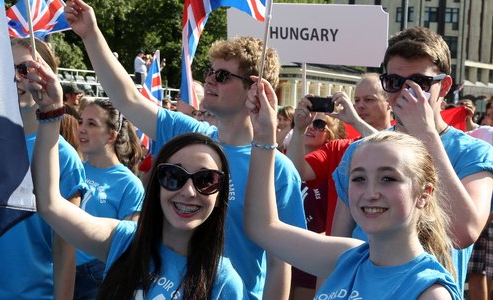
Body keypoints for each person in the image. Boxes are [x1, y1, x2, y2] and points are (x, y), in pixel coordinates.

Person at [64, 1, 306, 299]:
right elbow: (127, 99)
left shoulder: (278, 169)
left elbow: (280, 263)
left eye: (222, 76)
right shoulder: (189, 136)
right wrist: (91, 34)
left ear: (255, 89)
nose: (209, 80)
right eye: (210, 71)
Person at [24, 52, 247, 298]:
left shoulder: (224, 282)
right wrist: (50, 112)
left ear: (221, 192)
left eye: (206, 180)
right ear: (157, 183)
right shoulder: (124, 242)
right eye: (174, 175)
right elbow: (49, 205)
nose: (189, 191)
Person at [244, 77, 461, 299]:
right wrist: (263, 135)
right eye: (358, 179)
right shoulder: (346, 257)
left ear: (424, 194)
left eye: (388, 179)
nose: (370, 193)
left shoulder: (430, 292)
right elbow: (262, 227)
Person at [331, 27, 493, 294]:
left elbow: (464, 233)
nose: (405, 93)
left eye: (420, 82)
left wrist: (426, 134)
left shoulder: (474, 153)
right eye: (394, 82)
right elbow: (338, 246)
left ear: (445, 87)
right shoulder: (361, 150)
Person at [0, 38, 86, 300]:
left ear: (48, 77)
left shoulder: (65, 158)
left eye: (25, 69)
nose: (15, 77)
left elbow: (64, 249)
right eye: (7, 67)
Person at [288, 73, 386, 235]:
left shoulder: (405, 141)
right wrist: (299, 130)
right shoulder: (338, 148)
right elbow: (297, 170)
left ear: (389, 103)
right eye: (356, 100)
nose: (360, 106)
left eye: (369, 100)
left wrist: (355, 121)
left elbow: (391, 150)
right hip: (341, 252)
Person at [74, 99, 145, 299]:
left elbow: (127, 244)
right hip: (58, 265)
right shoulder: (73, 169)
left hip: (96, 277)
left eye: (91, 123)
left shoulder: (129, 184)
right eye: (81, 122)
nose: (81, 129)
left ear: (111, 135)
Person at [288, 113, 346, 300]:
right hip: (284, 250)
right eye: (310, 122)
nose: (311, 126)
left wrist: (312, 243)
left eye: (319, 124)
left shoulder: (333, 169)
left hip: (312, 256)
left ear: (330, 134)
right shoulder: (285, 160)